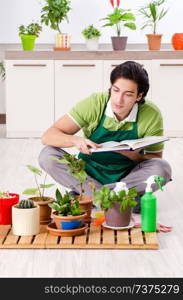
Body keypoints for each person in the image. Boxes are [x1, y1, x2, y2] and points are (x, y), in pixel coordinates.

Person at [38, 61, 172, 231]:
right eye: (115, 90)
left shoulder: (151, 114)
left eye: (128, 94)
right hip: (88, 176)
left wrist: (134, 156)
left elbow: (155, 160)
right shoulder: (95, 103)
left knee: (163, 168)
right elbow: (48, 136)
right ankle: (118, 203)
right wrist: (76, 140)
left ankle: (89, 198)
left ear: (139, 96)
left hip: (126, 179)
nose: (118, 99)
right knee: (47, 155)